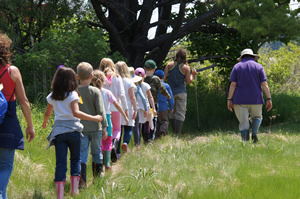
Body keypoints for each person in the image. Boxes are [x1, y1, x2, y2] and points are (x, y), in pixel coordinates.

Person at [42, 67, 102, 198]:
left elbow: (48, 113)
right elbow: (75, 112)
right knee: (75, 159)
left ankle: (60, 195)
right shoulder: (73, 95)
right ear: (72, 80)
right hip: (74, 131)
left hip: (59, 133)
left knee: (60, 163)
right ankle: (74, 190)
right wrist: (94, 117)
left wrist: (45, 122)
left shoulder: (52, 96)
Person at [0, 33, 35, 199]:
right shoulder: (11, 72)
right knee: (5, 165)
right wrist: (30, 126)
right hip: (7, 126)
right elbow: (24, 101)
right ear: (5, 51)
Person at [227, 48, 272, 142]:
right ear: (253, 57)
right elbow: (264, 84)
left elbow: (233, 84)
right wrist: (269, 98)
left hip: (240, 99)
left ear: (242, 57)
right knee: (257, 117)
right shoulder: (259, 67)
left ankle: (245, 142)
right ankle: (254, 133)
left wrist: (229, 99)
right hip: (256, 98)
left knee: (243, 122)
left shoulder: (237, 67)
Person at [76, 62, 108, 187]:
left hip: (81, 128)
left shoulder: (75, 91)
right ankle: (97, 178)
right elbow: (101, 110)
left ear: (78, 77)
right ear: (91, 76)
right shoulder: (95, 91)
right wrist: (105, 126)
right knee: (96, 152)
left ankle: (82, 181)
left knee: (82, 153)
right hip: (96, 128)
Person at [91, 69, 129, 171]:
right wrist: (124, 115)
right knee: (108, 142)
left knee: (97, 142)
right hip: (107, 118)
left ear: (92, 80)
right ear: (104, 81)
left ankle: (98, 163)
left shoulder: (91, 92)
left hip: (94, 119)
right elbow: (116, 104)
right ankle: (107, 163)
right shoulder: (107, 92)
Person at [99, 58, 128, 162]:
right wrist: (125, 108)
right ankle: (114, 145)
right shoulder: (117, 77)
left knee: (104, 131)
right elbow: (122, 94)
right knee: (117, 129)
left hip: (102, 109)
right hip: (115, 108)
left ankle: (104, 152)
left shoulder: (99, 78)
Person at [163, 48, 197, 134]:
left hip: (170, 92)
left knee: (172, 112)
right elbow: (189, 82)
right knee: (180, 113)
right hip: (181, 92)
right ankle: (177, 134)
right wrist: (193, 75)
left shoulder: (169, 65)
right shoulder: (185, 68)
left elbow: (163, 79)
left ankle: (174, 132)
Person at [143, 59, 170, 141]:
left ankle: (145, 138)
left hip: (143, 104)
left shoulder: (141, 78)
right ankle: (151, 138)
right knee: (152, 120)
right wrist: (168, 96)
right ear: (154, 69)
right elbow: (162, 89)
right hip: (152, 104)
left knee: (144, 122)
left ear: (144, 69)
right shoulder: (156, 79)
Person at [115, 61, 138, 154]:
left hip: (117, 106)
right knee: (128, 128)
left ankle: (117, 152)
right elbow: (132, 96)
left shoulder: (114, 80)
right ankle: (125, 143)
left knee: (118, 129)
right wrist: (135, 109)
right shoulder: (129, 81)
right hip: (128, 106)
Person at [128, 67, 148, 148]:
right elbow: (143, 98)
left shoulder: (124, 83)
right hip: (135, 107)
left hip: (126, 107)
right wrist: (146, 109)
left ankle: (125, 143)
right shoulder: (136, 85)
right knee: (136, 128)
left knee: (125, 128)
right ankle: (137, 144)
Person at [135, 67, 155, 144]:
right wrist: (153, 108)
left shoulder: (133, 86)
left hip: (137, 107)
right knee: (147, 123)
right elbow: (150, 97)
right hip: (145, 107)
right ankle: (147, 140)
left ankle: (138, 141)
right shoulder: (146, 85)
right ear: (144, 76)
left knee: (138, 125)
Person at [154, 69, 174, 138]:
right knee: (164, 121)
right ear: (163, 77)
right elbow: (170, 97)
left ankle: (156, 135)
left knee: (156, 122)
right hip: (164, 107)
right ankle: (163, 131)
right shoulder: (166, 86)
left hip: (154, 107)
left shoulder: (153, 86)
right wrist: (171, 107)